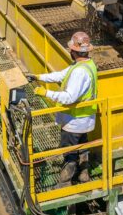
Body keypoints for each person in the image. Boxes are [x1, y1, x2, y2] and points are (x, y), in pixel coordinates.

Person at [26, 32, 98, 186]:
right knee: (83, 145)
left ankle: (64, 183)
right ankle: (84, 175)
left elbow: (69, 97)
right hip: (85, 119)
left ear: (73, 51)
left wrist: (46, 93)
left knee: (70, 151)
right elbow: (61, 75)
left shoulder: (79, 71)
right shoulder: (86, 65)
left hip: (74, 121)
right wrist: (39, 77)